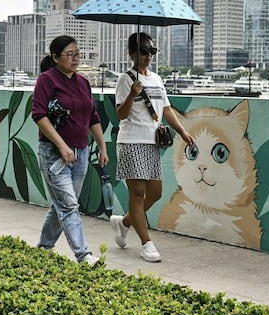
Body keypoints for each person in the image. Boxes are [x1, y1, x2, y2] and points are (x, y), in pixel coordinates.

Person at [111, 33, 195, 262]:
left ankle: (125, 222)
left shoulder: (157, 79)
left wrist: (182, 132)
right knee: (137, 194)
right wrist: (132, 94)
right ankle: (146, 244)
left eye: (151, 51)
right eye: (143, 51)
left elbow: (166, 109)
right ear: (131, 53)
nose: (148, 56)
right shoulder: (125, 79)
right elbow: (120, 113)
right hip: (131, 141)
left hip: (152, 142)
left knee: (155, 193)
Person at [31, 35, 108, 266]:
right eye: (69, 54)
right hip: (54, 153)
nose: (75, 58)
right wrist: (61, 145)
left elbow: (92, 117)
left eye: (77, 53)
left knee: (63, 204)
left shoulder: (83, 82)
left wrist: (102, 147)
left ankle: (44, 248)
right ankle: (83, 256)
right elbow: (39, 115)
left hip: (81, 153)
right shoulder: (47, 80)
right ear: (55, 58)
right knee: (68, 205)